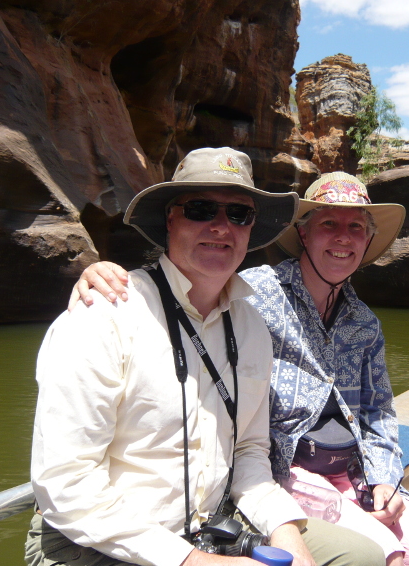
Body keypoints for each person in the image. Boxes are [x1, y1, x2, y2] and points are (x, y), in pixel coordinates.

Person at [73, 172, 409, 566]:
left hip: (355, 471)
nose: (343, 237)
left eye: (356, 226)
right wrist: (103, 277)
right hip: (288, 469)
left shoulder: (365, 323)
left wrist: (384, 478)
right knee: (386, 556)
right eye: (329, 224)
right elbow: (190, 293)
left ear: (367, 240)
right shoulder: (254, 296)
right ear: (303, 234)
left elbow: (378, 410)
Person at [27, 149, 384, 566]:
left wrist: (286, 533)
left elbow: (249, 452)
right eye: (200, 209)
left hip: (211, 525)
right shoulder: (105, 315)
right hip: (99, 541)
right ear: (169, 219)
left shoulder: (251, 325)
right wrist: (194, 561)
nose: (221, 226)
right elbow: (66, 485)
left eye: (239, 214)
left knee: (358, 557)